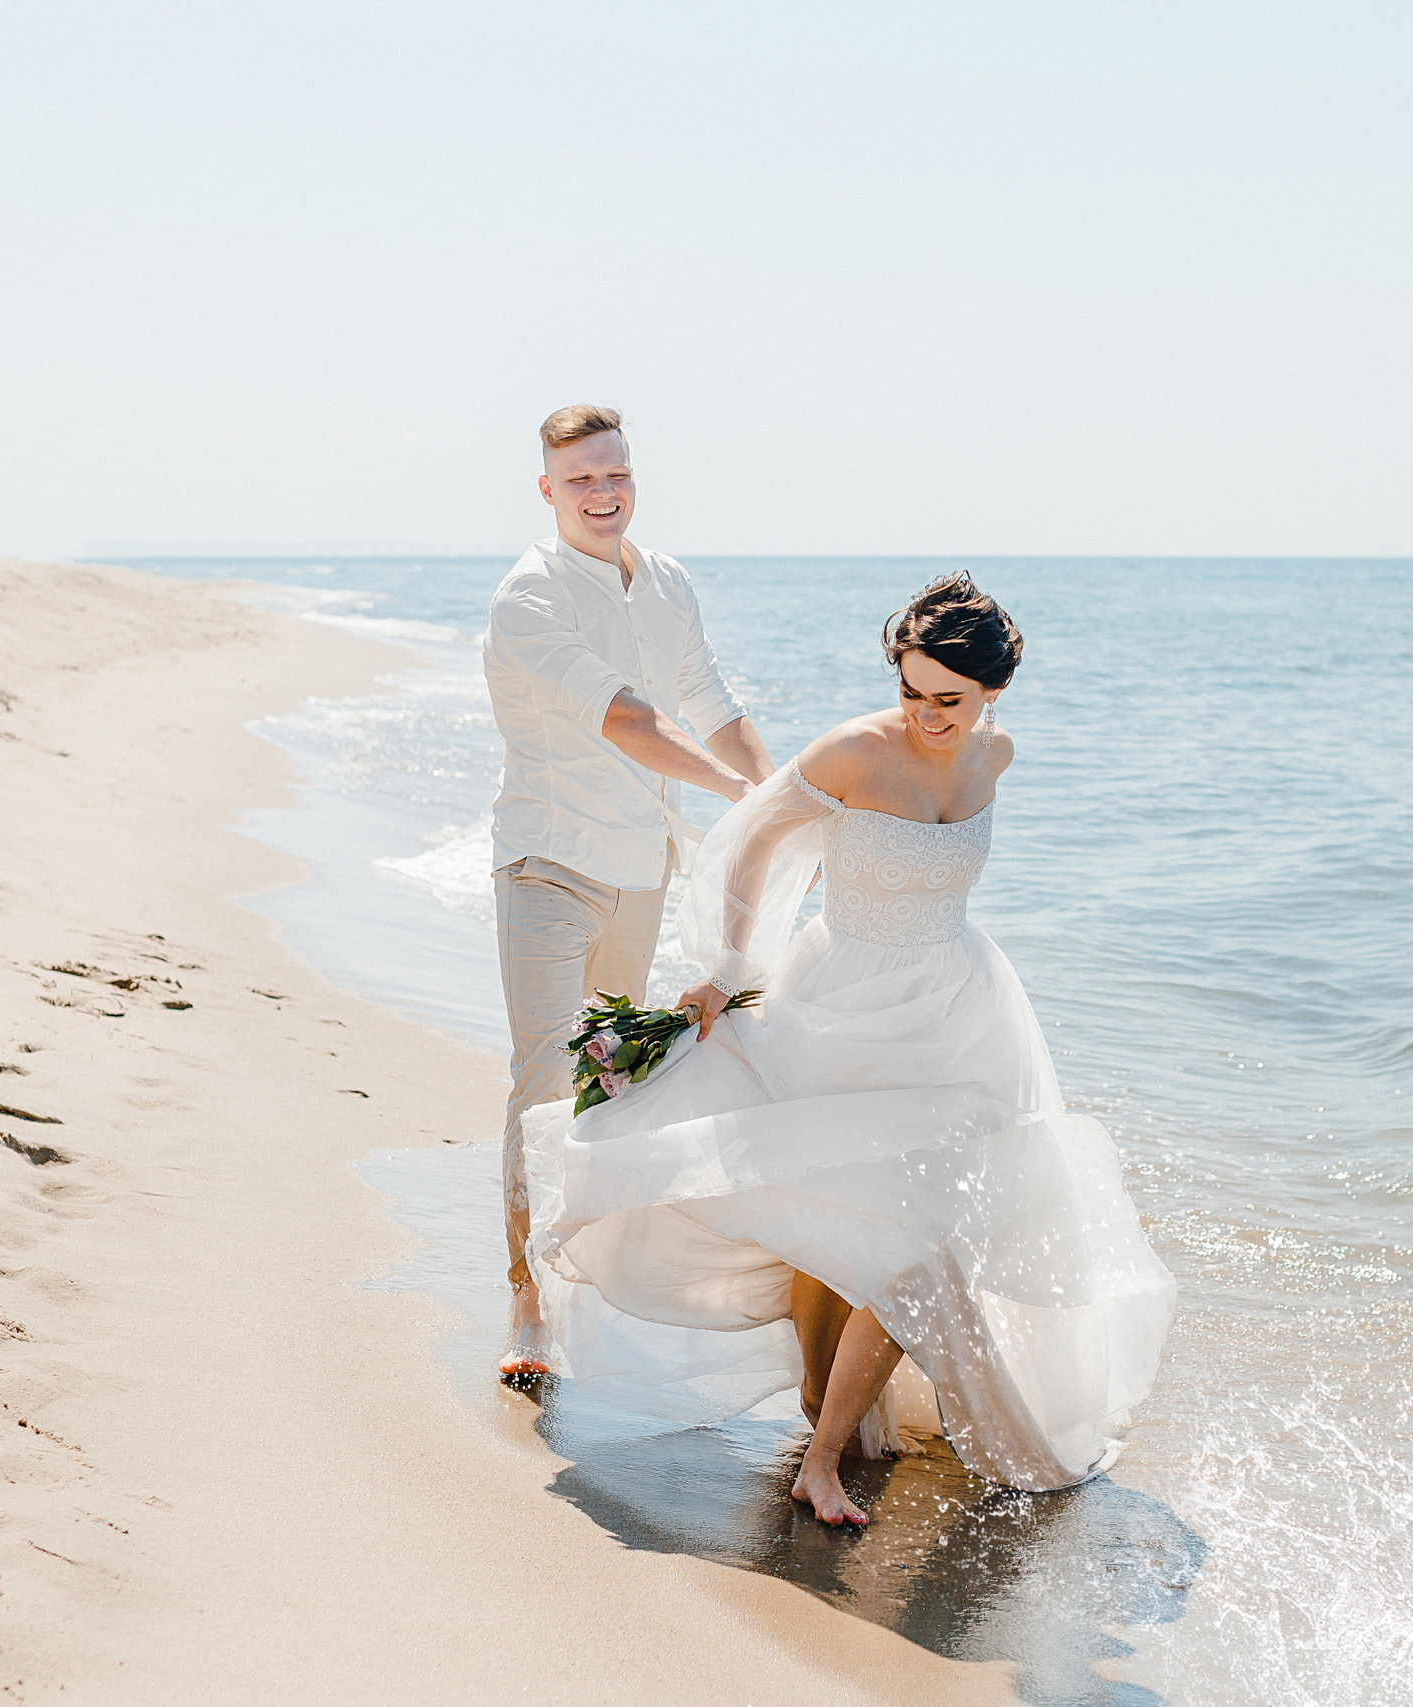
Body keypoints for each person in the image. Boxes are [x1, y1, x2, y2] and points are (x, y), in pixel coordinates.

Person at [522, 573, 1176, 1525]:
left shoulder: (998, 755)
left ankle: (827, 1448)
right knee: (841, 1229)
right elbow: (749, 842)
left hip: (956, 1015)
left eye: (948, 699)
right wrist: (729, 965)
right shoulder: (854, 751)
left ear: (992, 690)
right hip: (838, 1007)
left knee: (921, 1236)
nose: (925, 716)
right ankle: (823, 1426)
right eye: (911, 691)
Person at [483, 405, 773, 1375]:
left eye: (616, 475)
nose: (603, 495)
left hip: (641, 870)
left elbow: (712, 703)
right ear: (547, 490)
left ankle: (589, 1272)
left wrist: (778, 797)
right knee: (542, 1085)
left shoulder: (667, 583)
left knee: (605, 1080)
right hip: (548, 866)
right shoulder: (530, 597)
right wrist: (734, 792)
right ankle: (527, 1308)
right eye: (581, 481)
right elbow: (633, 721)